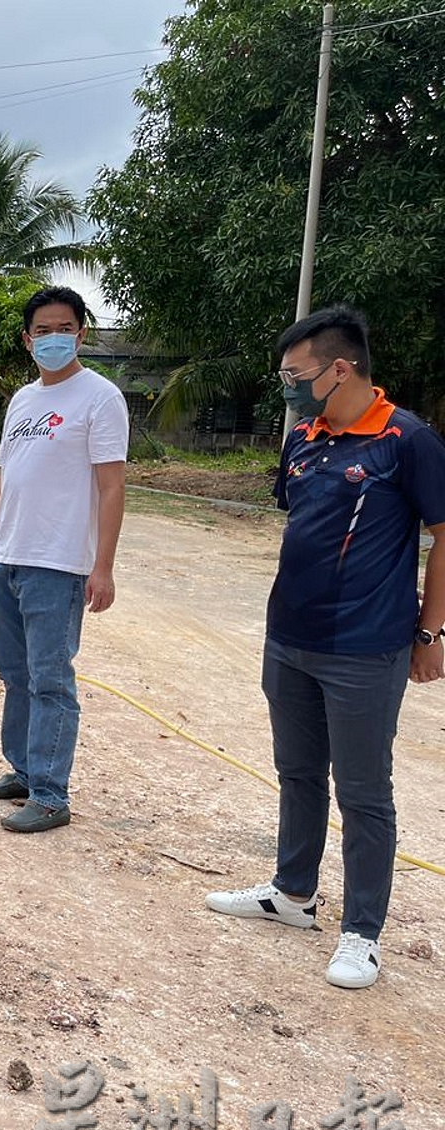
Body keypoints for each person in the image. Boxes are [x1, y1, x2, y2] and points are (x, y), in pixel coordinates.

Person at [206, 307, 445, 989]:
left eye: (295, 375)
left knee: (365, 792)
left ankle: (363, 933)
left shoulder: (409, 440)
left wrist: (430, 633)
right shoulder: (304, 438)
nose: (287, 387)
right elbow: (302, 524)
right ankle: (292, 893)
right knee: (298, 771)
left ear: (341, 369)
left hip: (365, 649)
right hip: (289, 639)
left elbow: (443, 534)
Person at [0, 286, 128, 833]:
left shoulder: (100, 398)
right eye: (42, 330)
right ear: (26, 339)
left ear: (82, 334)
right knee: (14, 674)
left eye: (64, 329)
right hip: (6, 560)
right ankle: (25, 771)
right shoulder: (23, 400)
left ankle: (52, 795)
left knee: (51, 679)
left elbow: (111, 487)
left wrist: (101, 566)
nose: (53, 338)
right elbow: (4, 479)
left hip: (57, 565)